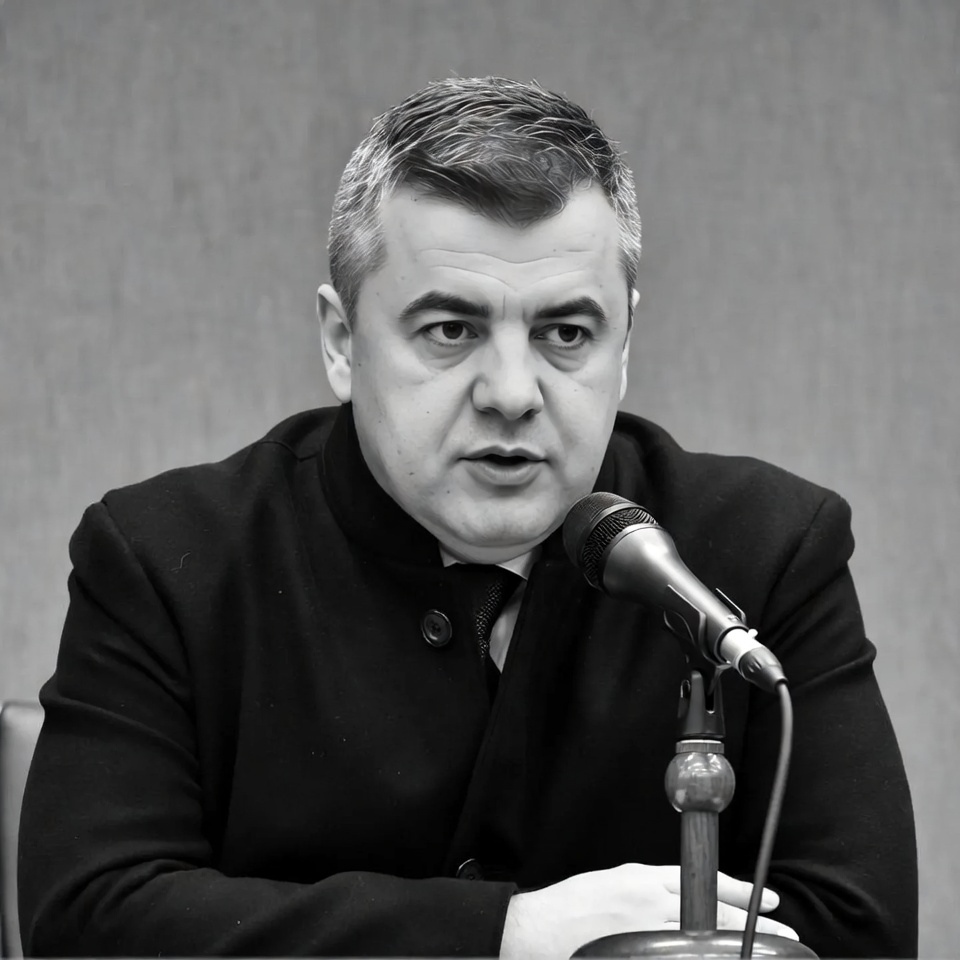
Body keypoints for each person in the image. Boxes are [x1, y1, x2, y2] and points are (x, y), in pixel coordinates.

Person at [19, 77, 917, 958]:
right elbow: (91, 919)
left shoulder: (763, 551)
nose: (513, 393)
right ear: (341, 342)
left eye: (567, 333)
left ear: (625, 345)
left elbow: (857, 930)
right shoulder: (168, 558)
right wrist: (504, 937)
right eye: (451, 330)